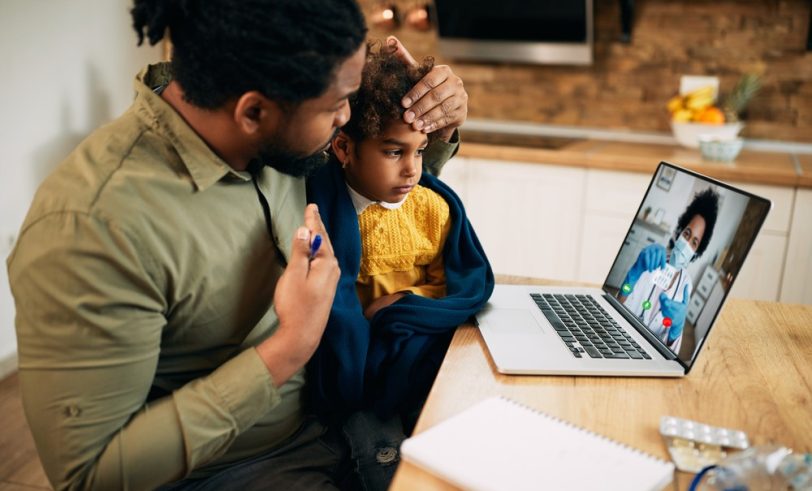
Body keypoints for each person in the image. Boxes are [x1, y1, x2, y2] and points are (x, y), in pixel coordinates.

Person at [5, 1, 470, 489]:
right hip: (234, 469)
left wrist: (438, 121)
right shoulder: (93, 228)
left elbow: (368, 184)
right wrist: (289, 347)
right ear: (253, 111)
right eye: (337, 106)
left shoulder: (277, 130)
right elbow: (89, 476)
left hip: (340, 418)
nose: (347, 118)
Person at [304, 44, 494, 489]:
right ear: (343, 148)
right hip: (354, 388)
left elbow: (455, 282)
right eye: (394, 152)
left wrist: (403, 304)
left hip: (417, 356)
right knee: (379, 460)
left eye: (421, 151)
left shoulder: (431, 209)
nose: (413, 170)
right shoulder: (318, 210)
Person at [619, 189, 719, 352]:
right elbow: (621, 304)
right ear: (679, 231)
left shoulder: (685, 286)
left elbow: (669, 353)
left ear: (696, 252)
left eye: (694, 243)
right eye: (687, 233)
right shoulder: (651, 259)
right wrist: (634, 274)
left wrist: (675, 332)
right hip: (622, 337)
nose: (687, 244)